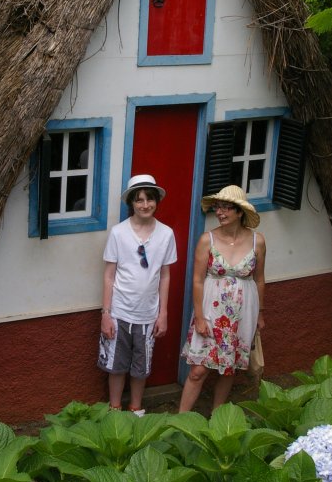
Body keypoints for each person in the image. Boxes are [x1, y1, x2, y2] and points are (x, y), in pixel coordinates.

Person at [179, 185, 266, 412]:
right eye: (218, 207)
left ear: (240, 212)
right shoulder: (207, 240)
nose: (220, 212)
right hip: (211, 311)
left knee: (229, 367)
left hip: (243, 312)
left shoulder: (258, 241)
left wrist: (260, 314)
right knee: (198, 370)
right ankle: (178, 420)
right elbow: (197, 280)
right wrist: (199, 316)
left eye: (226, 208)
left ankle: (218, 417)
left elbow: (259, 280)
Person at [98, 174, 177, 415]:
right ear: (131, 203)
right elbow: (109, 276)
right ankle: (114, 409)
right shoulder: (118, 233)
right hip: (120, 312)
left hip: (147, 315)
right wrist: (106, 314)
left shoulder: (166, 234)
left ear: (156, 202)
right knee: (117, 365)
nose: (145, 205)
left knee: (140, 367)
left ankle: (136, 409)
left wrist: (162, 314)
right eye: (139, 200)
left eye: (149, 199)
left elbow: (165, 276)